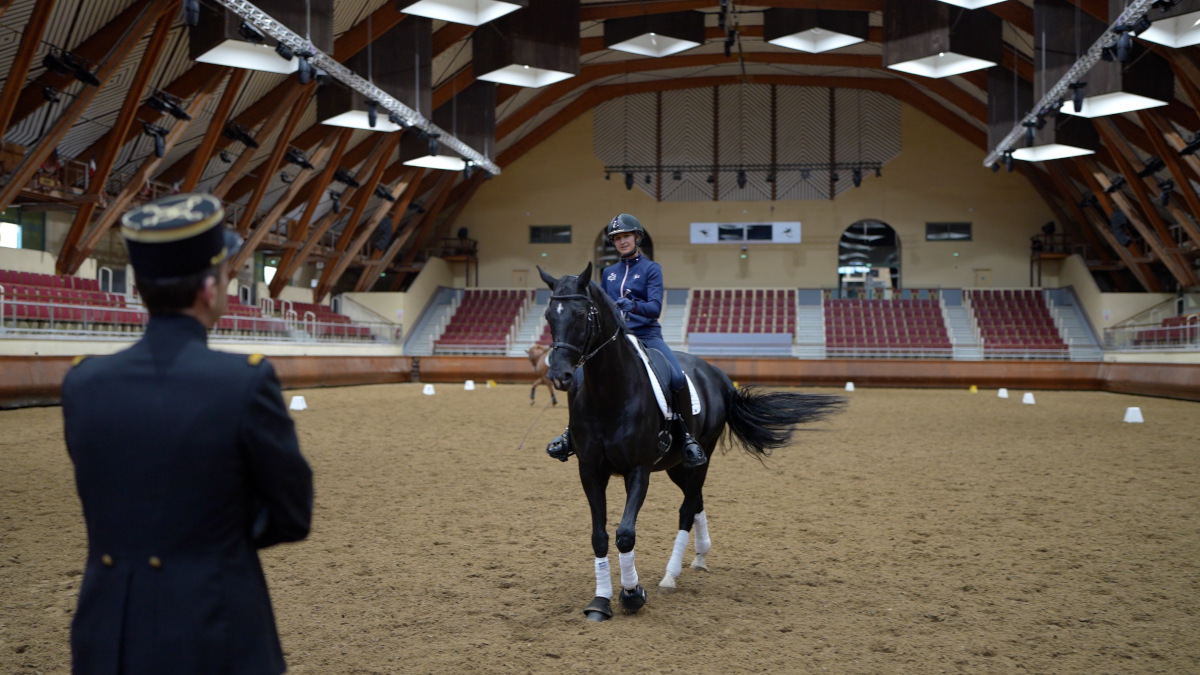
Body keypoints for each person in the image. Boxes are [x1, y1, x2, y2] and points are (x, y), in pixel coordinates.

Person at [61, 193, 314, 674]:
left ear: (139, 289)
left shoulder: (83, 383)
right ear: (208, 289)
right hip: (213, 625)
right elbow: (292, 515)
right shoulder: (245, 381)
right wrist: (209, 535)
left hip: (108, 633)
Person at [546, 213, 707, 468]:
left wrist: (633, 306)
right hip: (614, 340)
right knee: (578, 379)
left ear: (637, 237)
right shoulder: (609, 273)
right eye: (617, 238)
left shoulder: (651, 269)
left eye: (626, 236)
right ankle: (571, 434)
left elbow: (654, 308)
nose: (622, 242)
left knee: (676, 376)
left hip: (647, 336)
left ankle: (687, 436)